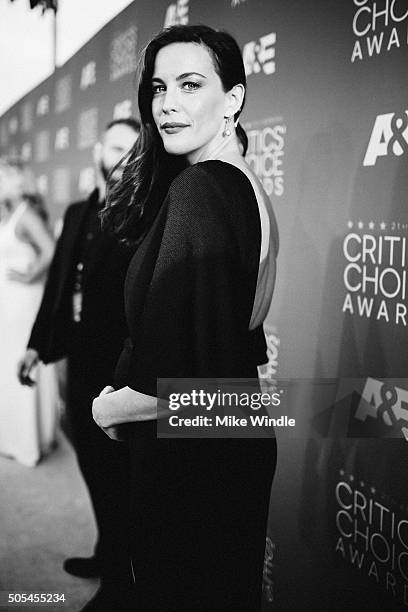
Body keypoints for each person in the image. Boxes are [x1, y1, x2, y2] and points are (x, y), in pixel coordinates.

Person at [92, 25, 279, 611]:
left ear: (233, 99)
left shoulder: (202, 189)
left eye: (190, 85)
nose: (167, 103)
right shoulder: (242, 183)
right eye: (158, 88)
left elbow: (208, 380)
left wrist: (120, 405)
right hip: (228, 450)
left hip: (196, 466)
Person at [17, 119, 140, 602]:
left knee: (118, 472)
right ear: (97, 151)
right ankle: (107, 550)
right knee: (91, 463)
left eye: (132, 150)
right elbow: (57, 286)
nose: (123, 157)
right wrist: (35, 345)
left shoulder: (138, 217)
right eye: (115, 146)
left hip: (121, 366)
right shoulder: (74, 213)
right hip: (81, 360)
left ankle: (119, 582)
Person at [0, 158, 58, 467]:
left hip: (24, 302)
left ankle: (29, 441)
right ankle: (12, 436)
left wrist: (29, 275)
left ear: (16, 181)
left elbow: (51, 249)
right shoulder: (9, 214)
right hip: (9, 303)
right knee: (8, 363)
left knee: (24, 361)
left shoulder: (26, 214)